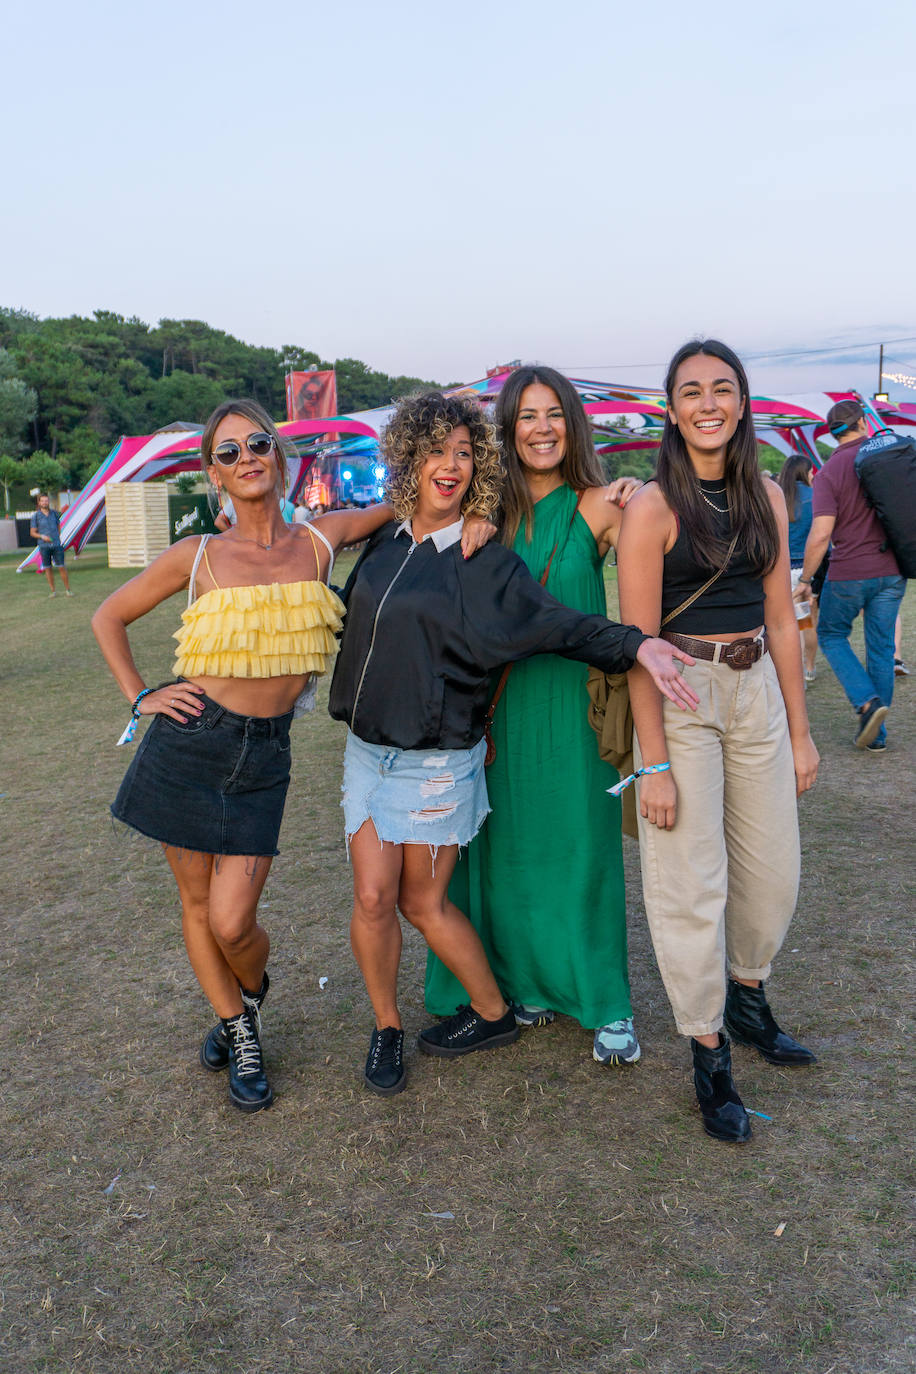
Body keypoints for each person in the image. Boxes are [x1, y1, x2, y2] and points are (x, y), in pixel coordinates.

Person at [328, 391, 699, 1097]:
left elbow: (560, 622)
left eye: (465, 454)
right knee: (373, 898)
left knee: (422, 901)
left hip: (438, 753)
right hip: (368, 753)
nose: (450, 465)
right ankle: (386, 1028)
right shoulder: (387, 540)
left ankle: (497, 1010)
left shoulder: (484, 557)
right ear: (408, 455)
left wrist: (637, 644)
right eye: (436, 450)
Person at [91, 399, 409, 1114]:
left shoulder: (323, 540)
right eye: (228, 452)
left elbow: (408, 504)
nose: (245, 458)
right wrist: (141, 695)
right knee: (199, 905)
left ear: (279, 455)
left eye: (256, 443)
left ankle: (248, 994)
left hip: (265, 755)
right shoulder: (196, 556)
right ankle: (240, 1030)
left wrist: (477, 511)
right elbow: (107, 615)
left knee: (235, 922)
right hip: (189, 743)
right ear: (214, 474)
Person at [617, 339, 819, 1144]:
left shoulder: (767, 493)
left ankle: (749, 991)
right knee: (688, 883)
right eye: (692, 390)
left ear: (742, 402)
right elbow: (638, 645)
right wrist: (654, 763)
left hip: (757, 689)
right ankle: (709, 1050)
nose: (708, 402)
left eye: (723, 389)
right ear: (671, 409)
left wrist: (801, 733)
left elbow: (779, 618)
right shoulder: (653, 508)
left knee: (774, 870)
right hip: (682, 694)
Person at [425, 364, 646, 1066]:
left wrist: (645, 492)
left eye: (554, 413)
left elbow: (659, 548)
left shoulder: (603, 505)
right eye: (526, 415)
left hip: (575, 708)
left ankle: (607, 1002)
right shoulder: (485, 519)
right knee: (507, 853)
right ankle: (529, 985)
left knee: (582, 850)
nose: (542, 427)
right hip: (500, 712)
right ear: (508, 430)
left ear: (572, 423)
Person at [794, 400, 906, 751]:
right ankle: (877, 736)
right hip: (892, 571)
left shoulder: (829, 472)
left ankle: (867, 702)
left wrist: (805, 580)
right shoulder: (888, 461)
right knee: (882, 647)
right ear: (862, 422)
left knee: (830, 634)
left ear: (830, 432)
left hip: (849, 573)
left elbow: (822, 533)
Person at [776, 452, 818, 682]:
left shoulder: (776, 496)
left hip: (782, 571)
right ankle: (808, 668)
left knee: (787, 622)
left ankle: (795, 672)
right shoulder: (815, 497)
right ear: (805, 472)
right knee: (805, 622)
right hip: (807, 571)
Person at [31, 493, 72, 596]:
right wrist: (42, 537)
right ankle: (53, 591)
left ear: (48, 502)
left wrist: (57, 538)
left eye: (46, 500)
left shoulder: (54, 513)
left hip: (57, 545)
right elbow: (32, 533)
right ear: (39, 502)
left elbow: (58, 527)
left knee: (61, 567)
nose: (45, 502)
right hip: (44, 546)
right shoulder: (36, 516)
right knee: (48, 568)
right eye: (43, 501)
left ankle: (68, 590)